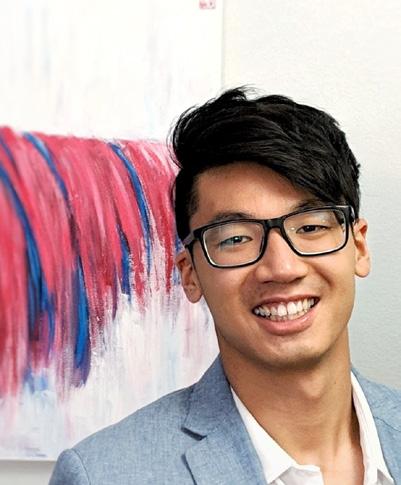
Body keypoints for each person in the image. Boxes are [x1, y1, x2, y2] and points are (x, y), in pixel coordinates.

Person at [50, 87, 401, 484]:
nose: (282, 267)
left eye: (310, 227)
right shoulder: (102, 475)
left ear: (359, 247)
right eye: (236, 238)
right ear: (190, 275)